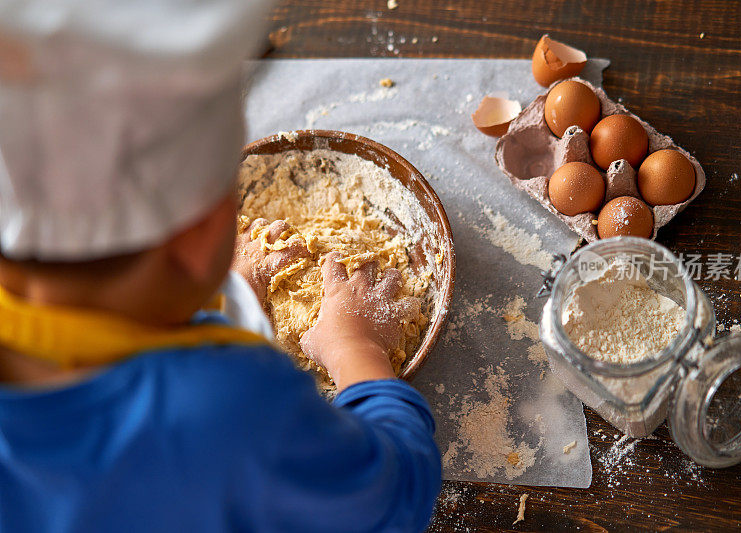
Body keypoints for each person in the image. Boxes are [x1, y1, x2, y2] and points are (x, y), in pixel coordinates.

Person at [0, 1, 442, 531]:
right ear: (200, 236)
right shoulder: (237, 409)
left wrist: (238, 287)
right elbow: (392, 496)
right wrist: (355, 348)